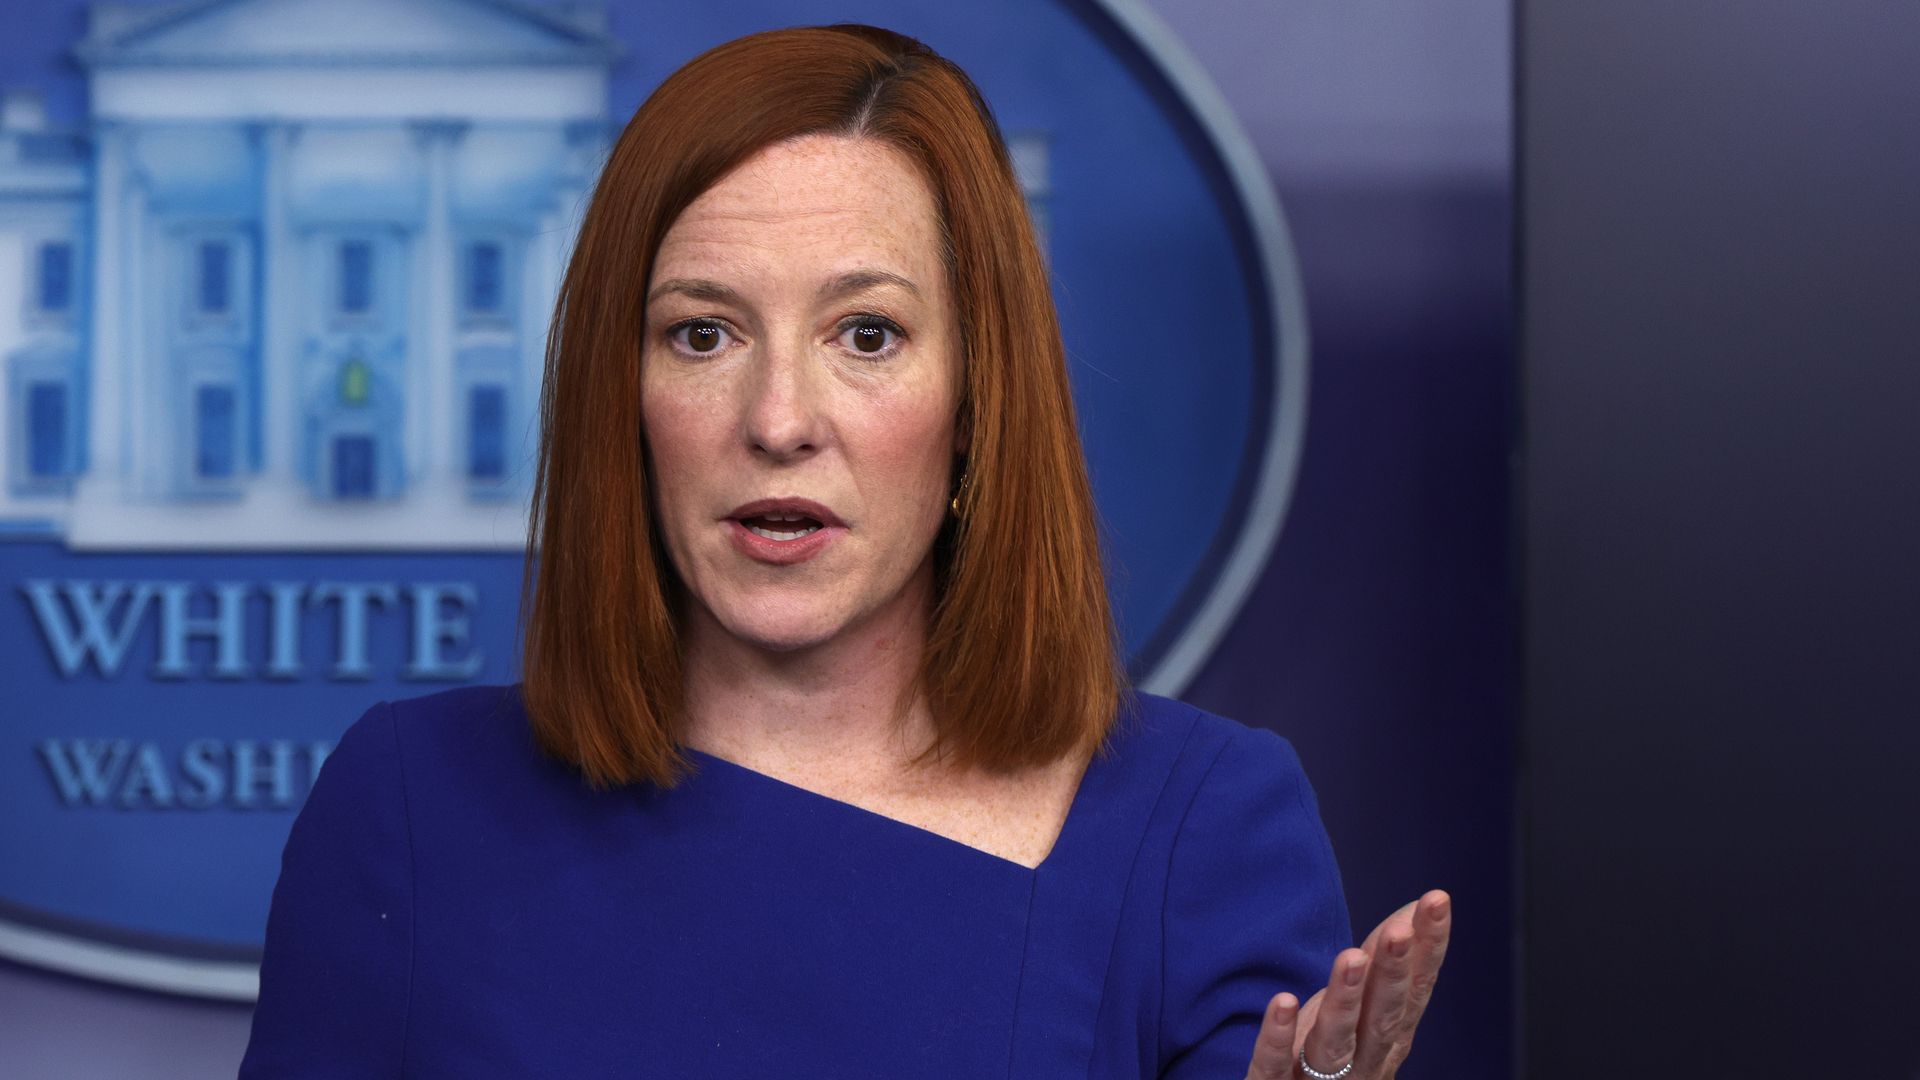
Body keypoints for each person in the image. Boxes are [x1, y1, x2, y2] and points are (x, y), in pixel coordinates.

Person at [239, 24, 1449, 1080]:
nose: (778, 419)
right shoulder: (407, 806)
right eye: (703, 333)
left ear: (978, 396)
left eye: (866, 335)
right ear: (624, 395)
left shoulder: (1203, 828)